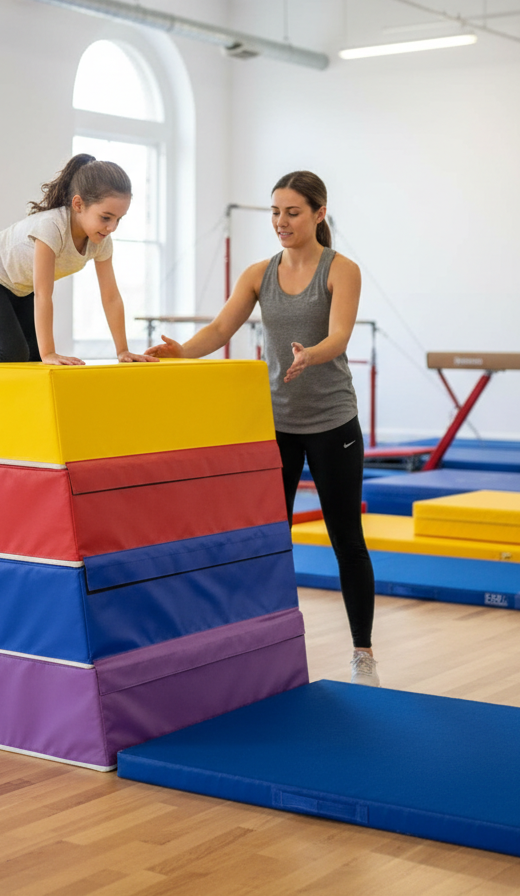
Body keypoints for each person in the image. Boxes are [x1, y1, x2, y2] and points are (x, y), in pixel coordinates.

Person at [146, 170, 379, 686]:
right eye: (275, 212)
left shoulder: (342, 270)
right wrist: (180, 352)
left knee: (346, 538)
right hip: (276, 425)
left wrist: (311, 353)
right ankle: (261, 644)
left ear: (319, 214)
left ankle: (362, 654)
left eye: (292, 212)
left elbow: (339, 335)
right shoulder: (259, 273)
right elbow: (220, 328)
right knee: (269, 538)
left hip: (332, 421)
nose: (281, 222)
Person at [0, 153, 155, 404]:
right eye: (106, 217)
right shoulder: (51, 227)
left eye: (119, 219)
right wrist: (50, 353)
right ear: (78, 204)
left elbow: (110, 296)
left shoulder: (101, 242)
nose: (112, 227)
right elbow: (44, 293)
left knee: (31, 355)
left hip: (20, 287)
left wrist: (122, 350)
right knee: (13, 352)